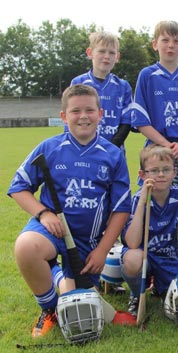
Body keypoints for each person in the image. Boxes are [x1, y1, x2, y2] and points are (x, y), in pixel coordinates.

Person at [8, 84, 132, 338]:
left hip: (88, 242)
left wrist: (101, 251)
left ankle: (58, 277)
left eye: (89, 110)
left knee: (81, 303)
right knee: (25, 246)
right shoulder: (49, 148)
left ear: (101, 113)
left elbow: (121, 210)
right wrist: (44, 214)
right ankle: (49, 309)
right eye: (76, 111)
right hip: (51, 231)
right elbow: (19, 187)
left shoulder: (112, 155)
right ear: (64, 116)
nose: (83, 116)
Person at [120, 144, 178, 317]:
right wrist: (143, 200)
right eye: (154, 170)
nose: (160, 174)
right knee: (132, 259)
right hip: (146, 257)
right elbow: (132, 242)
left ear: (175, 172)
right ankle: (136, 294)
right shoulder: (137, 199)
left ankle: (161, 288)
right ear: (142, 175)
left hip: (169, 259)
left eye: (166, 169)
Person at [131, 20, 178, 188]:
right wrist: (168, 146)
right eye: (165, 40)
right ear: (155, 44)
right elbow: (141, 121)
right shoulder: (147, 75)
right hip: (156, 151)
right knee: (154, 199)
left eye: (176, 41)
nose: (170, 46)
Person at [70, 31, 133, 153]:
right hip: (85, 151)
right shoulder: (78, 83)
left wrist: (112, 147)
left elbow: (126, 122)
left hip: (114, 152)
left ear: (117, 57)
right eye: (102, 51)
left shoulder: (123, 86)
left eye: (111, 53)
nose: (107, 56)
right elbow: (72, 119)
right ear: (90, 53)